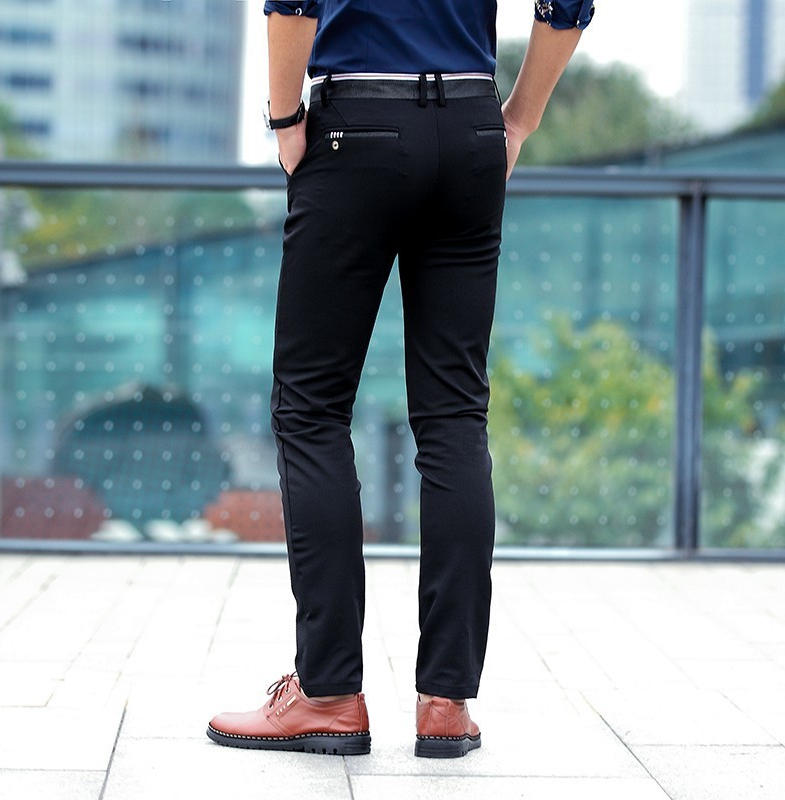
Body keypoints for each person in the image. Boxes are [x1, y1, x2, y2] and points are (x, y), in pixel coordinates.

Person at [207, 0, 593, 759]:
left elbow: (293, 1)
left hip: (356, 126)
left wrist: (285, 120)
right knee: (455, 417)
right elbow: (568, 4)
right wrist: (516, 121)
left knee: (312, 411)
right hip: (472, 127)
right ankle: (445, 702)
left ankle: (328, 694)